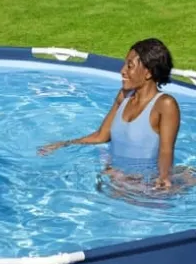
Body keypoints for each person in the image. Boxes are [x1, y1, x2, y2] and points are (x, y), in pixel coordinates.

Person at [38, 38, 185, 189]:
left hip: (144, 183)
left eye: (130, 66)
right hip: (116, 177)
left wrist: (164, 178)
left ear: (148, 72)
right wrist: (64, 144)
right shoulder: (124, 96)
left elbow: (166, 150)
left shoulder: (165, 104)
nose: (122, 71)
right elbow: (101, 135)